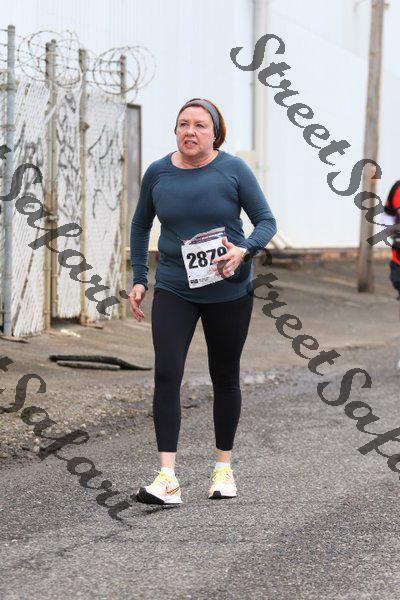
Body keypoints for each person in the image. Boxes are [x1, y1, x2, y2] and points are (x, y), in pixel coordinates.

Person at [129, 97, 277, 505]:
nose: (190, 131)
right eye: (183, 124)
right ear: (175, 130)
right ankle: (167, 478)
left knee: (224, 376)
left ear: (215, 133)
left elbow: (267, 221)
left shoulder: (233, 170)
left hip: (228, 289)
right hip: (175, 286)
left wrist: (243, 250)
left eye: (199, 125)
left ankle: (223, 469)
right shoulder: (158, 172)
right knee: (167, 373)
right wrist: (139, 278)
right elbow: (141, 225)